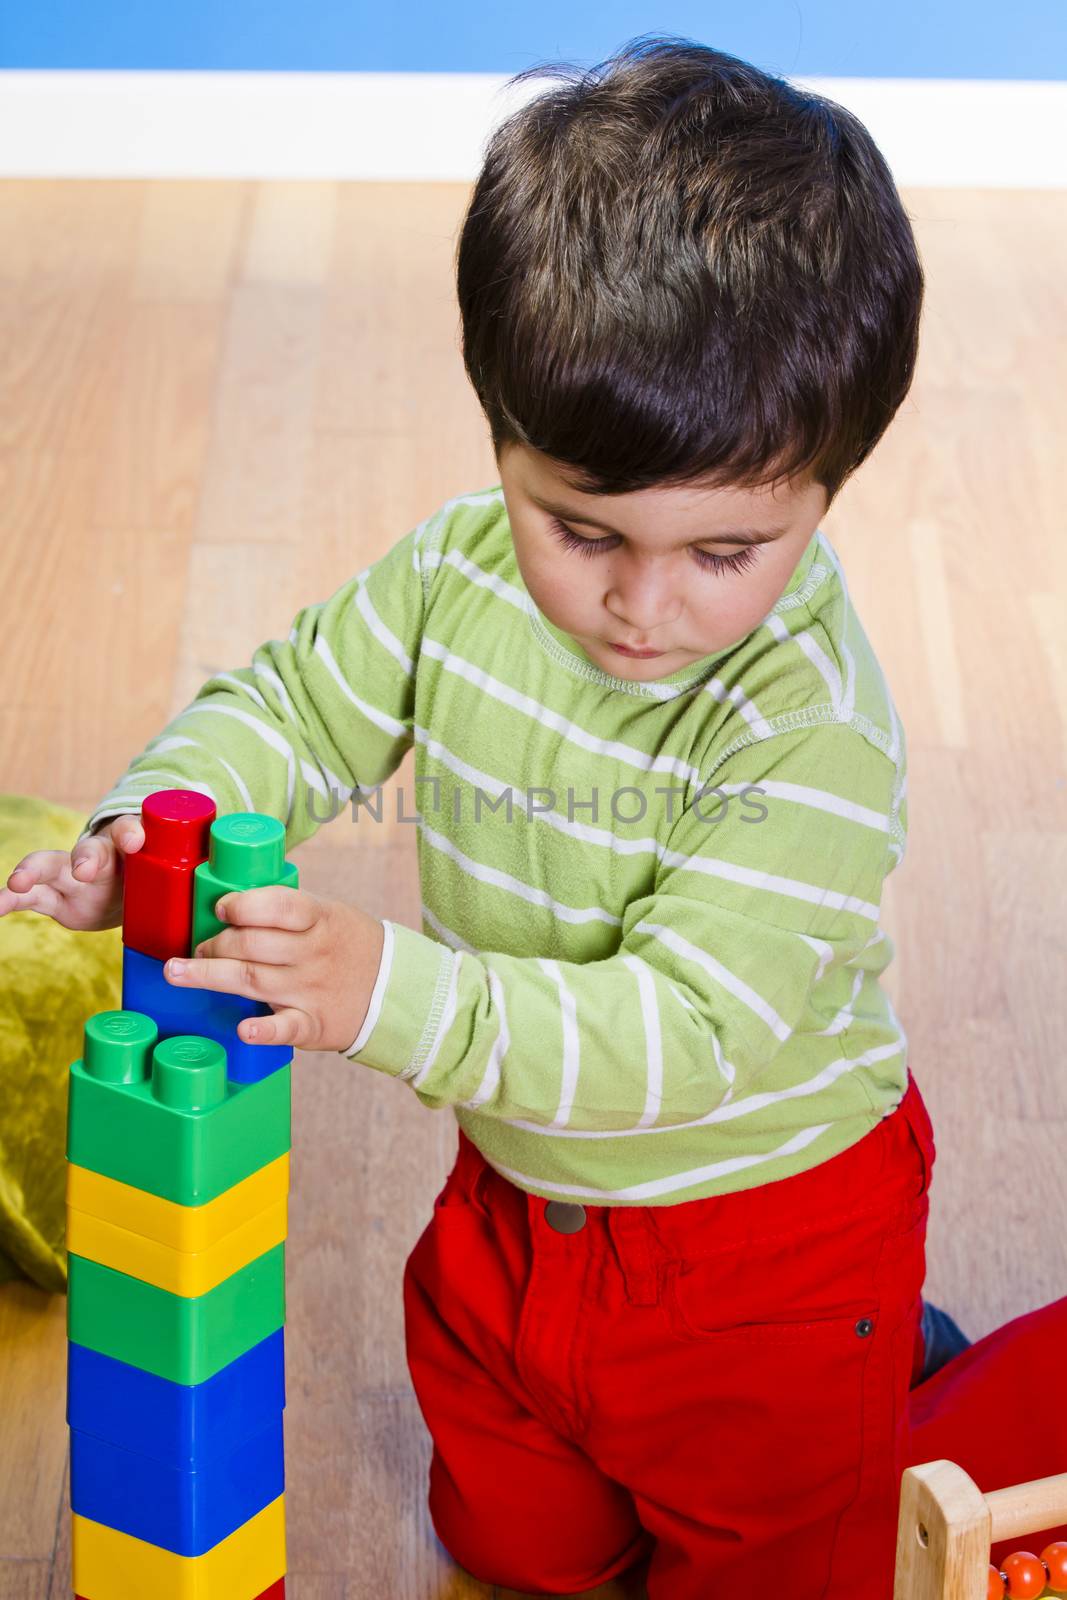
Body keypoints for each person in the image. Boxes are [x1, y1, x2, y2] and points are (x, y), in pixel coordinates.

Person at [2, 36, 976, 1599]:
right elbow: (300, 702)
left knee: (772, 1562)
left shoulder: (808, 727)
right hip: (520, 1205)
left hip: (766, 1249)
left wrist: (385, 991)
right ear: (498, 438)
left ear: (826, 493)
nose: (643, 607)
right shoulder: (460, 572)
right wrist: (157, 827)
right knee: (506, 1542)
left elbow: (684, 1034)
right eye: (580, 526)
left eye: (727, 551)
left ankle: (899, 1379)